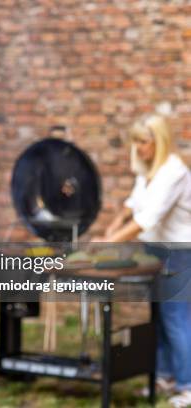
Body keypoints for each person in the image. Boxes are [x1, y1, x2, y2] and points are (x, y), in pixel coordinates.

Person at [97, 114, 191, 407]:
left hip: (179, 252)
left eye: (143, 141)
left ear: (158, 141)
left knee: (176, 318)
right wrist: (112, 227)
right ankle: (164, 377)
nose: (137, 147)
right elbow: (133, 204)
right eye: (134, 141)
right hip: (156, 250)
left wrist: (109, 243)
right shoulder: (149, 169)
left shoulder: (173, 171)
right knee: (159, 318)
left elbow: (148, 217)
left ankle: (188, 386)